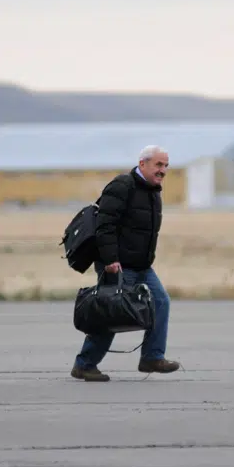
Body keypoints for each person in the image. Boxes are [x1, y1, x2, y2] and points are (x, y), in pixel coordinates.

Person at [70, 145, 181, 382]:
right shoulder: (122, 186)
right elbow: (105, 225)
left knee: (160, 301)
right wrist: (110, 260)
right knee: (111, 313)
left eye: (166, 166)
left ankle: (152, 357)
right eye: (158, 165)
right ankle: (85, 364)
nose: (163, 170)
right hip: (118, 264)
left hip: (141, 265)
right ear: (143, 164)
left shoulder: (152, 190)